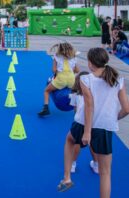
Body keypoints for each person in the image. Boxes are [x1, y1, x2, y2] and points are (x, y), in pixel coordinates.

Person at [57, 48, 129, 197]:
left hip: (83, 123)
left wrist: (88, 131)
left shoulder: (86, 79)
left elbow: (89, 105)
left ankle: (67, 178)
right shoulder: (118, 80)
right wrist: (113, 117)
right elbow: (126, 109)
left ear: (90, 63)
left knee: (70, 140)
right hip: (105, 127)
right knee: (105, 173)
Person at [68, 71, 99, 174]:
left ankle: (72, 164)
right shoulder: (94, 94)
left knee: (77, 143)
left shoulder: (74, 94)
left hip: (80, 122)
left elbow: (75, 109)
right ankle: (96, 164)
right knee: (92, 143)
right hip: (93, 122)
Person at [38, 43, 79, 116]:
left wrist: (58, 72)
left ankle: (46, 108)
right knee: (75, 94)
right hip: (71, 79)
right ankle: (77, 112)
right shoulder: (74, 57)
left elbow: (53, 70)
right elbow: (77, 70)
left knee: (46, 91)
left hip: (61, 79)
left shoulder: (56, 56)